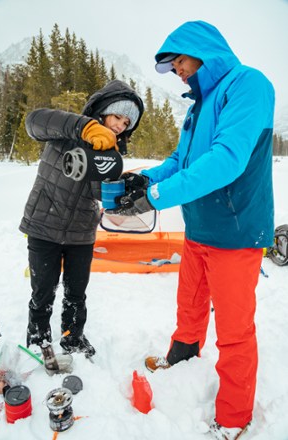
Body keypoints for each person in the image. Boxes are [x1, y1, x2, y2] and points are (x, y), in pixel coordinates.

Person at [106, 21, 275, 439]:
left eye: (178, 60)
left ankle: (233, 419)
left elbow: (226, 159)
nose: (177, 70)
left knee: (234, 331)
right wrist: (145, 180)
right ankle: (182, 361)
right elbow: (181, 161)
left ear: (201, 51)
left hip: (236, 232)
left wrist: (158, 197)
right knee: (190, 306)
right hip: (199, 228)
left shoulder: (248, 85)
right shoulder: (198, 106)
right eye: (170, 66)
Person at [19, 79, 144, 357]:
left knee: (76, 294)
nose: (119, 126)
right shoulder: (66, 129)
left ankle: (72, 338)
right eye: (117, 117)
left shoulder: (111, 154)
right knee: (43, 291)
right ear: (102, 111)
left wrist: (123, 188)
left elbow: (100, 193)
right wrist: (83, 128)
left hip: (81, 233)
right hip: (44, 225)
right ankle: (38, 337)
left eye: (126, 123)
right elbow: (34, 121)